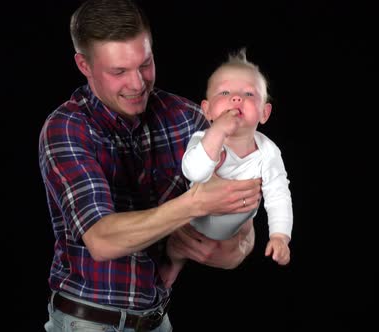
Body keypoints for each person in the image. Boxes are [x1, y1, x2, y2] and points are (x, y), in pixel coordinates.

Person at [38, 0, 262, 331]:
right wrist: (192, 205)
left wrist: (235, 246)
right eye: (118, 72)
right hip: (86, 321)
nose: (138, 83)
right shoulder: (66, 128)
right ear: (84, 65)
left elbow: (243, 218)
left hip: (158, 319)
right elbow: (101, 240)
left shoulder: (187, 118)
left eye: (145, 64)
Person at [159, 48, 293, 288]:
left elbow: (279, 195)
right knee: (179, 245)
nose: (236, 98)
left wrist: (280, 236)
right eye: (225, 92)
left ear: (264, 112)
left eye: (249, 94)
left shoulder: (268, 152)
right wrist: (217, 133)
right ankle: (174, 262)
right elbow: (193, 172)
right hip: (193, 221)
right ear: (207, 110)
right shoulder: (203, 139)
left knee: (227, 251)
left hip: (234, 230)